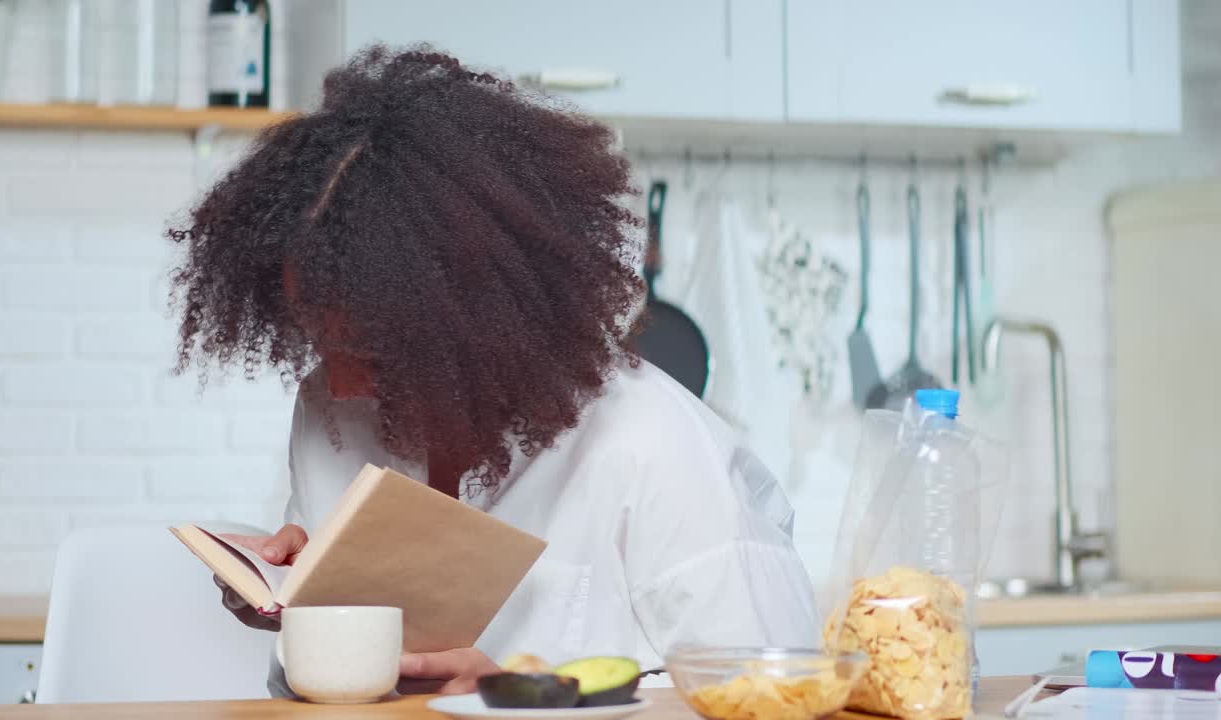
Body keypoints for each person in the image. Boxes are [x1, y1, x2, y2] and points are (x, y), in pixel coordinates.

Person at [168, 45, 819, 698]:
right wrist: (297, 597)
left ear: (479, 320)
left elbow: (779, 698)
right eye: (316, 336)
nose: (338, 386)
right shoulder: (330, 412)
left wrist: (535, 696)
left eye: (370, 348)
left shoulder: (656, 451)